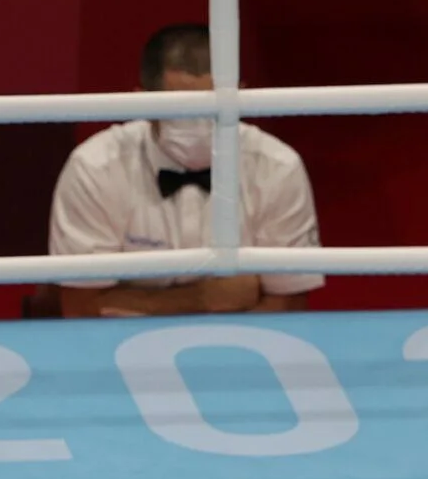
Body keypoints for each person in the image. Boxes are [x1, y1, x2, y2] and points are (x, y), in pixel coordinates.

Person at [43, 24, 323, 318]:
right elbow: (82, 309)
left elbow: (288, 307)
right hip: (119, 352)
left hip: (239, 354)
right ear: (143, 102)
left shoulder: (278, 168)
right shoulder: (95, 168)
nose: (200, 125)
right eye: (182, 109)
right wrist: (202, 299)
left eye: (213, 108)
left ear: (240, 97)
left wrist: (134, 303)